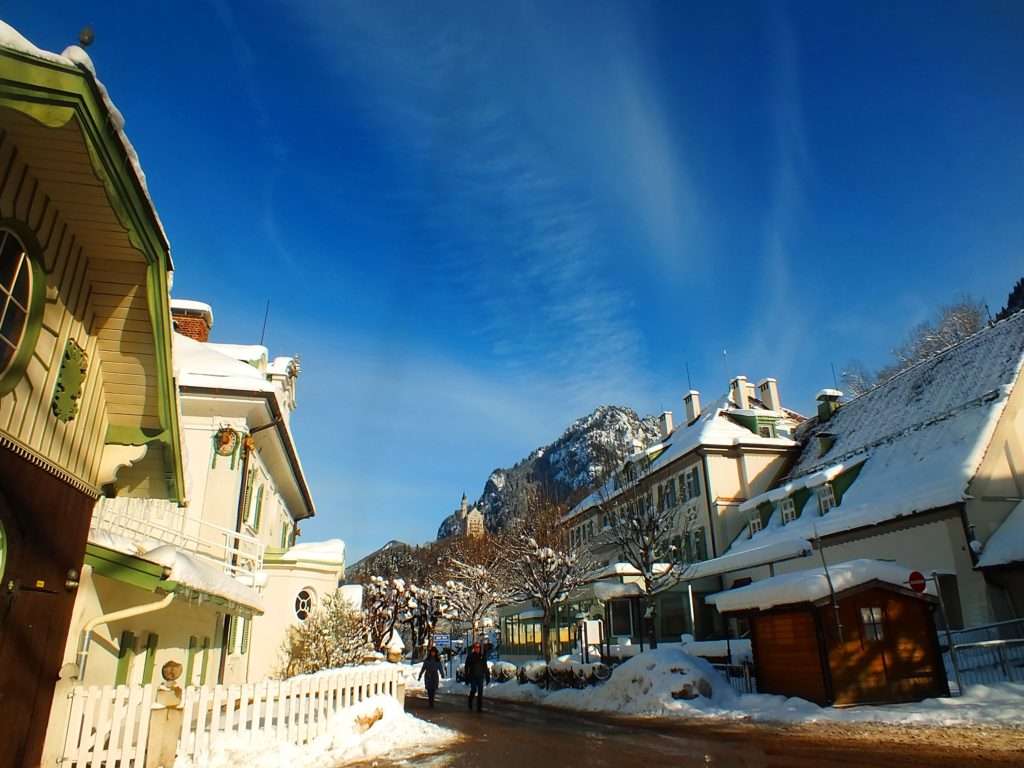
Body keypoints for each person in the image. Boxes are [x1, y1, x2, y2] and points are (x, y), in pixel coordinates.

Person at [464, 641, 490, 712]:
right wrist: (466, 676)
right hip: (473, 676)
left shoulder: (482, 656)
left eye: (478, 647)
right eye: (476, 647)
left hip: (480, 676)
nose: (477, 648)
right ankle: (470, 701)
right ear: (474, 648)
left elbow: (485, 666)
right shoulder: (470, 656)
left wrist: (487, 676)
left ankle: (479, 707)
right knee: (473, 690)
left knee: (480, 691)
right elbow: (466, 667)